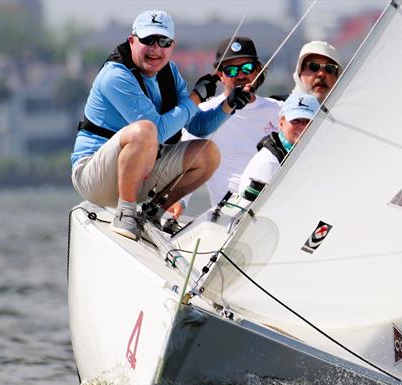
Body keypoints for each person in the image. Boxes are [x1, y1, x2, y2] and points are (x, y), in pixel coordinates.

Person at [70, 10, 251, 240]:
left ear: (172, 46)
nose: (156, 49)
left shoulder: (170, 73)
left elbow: (197, 127)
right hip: (93, 176)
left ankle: (153, 213)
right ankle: (126, 214)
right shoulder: (115, 76)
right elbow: (158, 132)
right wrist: (196, 97)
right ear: (132, 41)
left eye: (164, 41)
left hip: (140, 172)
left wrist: (228, 105)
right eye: (148, 40)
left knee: (208, 153)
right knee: (145, 130)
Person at [183, 36, 282, 209]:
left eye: (247, 68)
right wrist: (180, 202)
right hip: (229, 212)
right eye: (232, 71)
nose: (241, 75)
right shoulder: (204, 112)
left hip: (276, 205)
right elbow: (184, 162)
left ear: (258, 70)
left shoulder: (280, 110)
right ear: (220, 75)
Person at [237, 93, 320, 194]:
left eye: (308, 121)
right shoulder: (268, 163)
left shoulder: (321, 152)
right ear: (281, 123)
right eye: (295, 120)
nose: (303, 127)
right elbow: (251, 208)